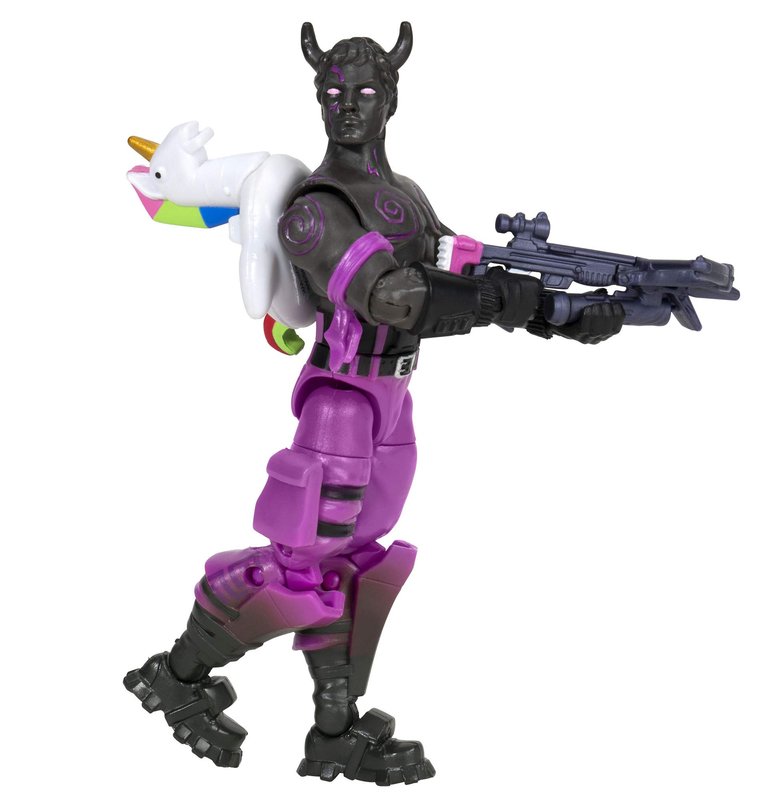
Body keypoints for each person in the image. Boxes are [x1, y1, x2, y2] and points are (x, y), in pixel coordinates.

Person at [124, 22, 623, 786]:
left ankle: (335, 732)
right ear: (318, 99)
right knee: (298, 567)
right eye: (333, 93)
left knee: (354, 565)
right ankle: (176, 673)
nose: (348, 105)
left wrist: (562, 313)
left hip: (393, 403)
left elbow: (463, 267)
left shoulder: (404, 198)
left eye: (363, 91)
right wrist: (506, 301)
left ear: (391, 98)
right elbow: (394, 296)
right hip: (343, 401)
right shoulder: (316, 210)